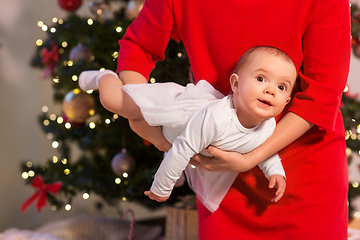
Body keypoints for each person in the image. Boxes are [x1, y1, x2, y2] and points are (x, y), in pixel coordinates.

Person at [104, 0, 352, 238]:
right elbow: (139, 46)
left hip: (306, 175)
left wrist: (251, 157)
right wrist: (144, 119)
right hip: (220, 177)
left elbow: (321, 95)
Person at [79, 46, 296, 212]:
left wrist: (275, 172)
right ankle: (103, 76)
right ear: (236, 85)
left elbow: (264, 147)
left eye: (281, 87)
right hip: (172, 108)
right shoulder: (217, 118)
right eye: (261, 79)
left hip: (170, 135)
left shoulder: (268, 125)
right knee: (113, 101)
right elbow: (182, 150)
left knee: (137, 124)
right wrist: (162, 186)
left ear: (286, 101)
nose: (270, 90)